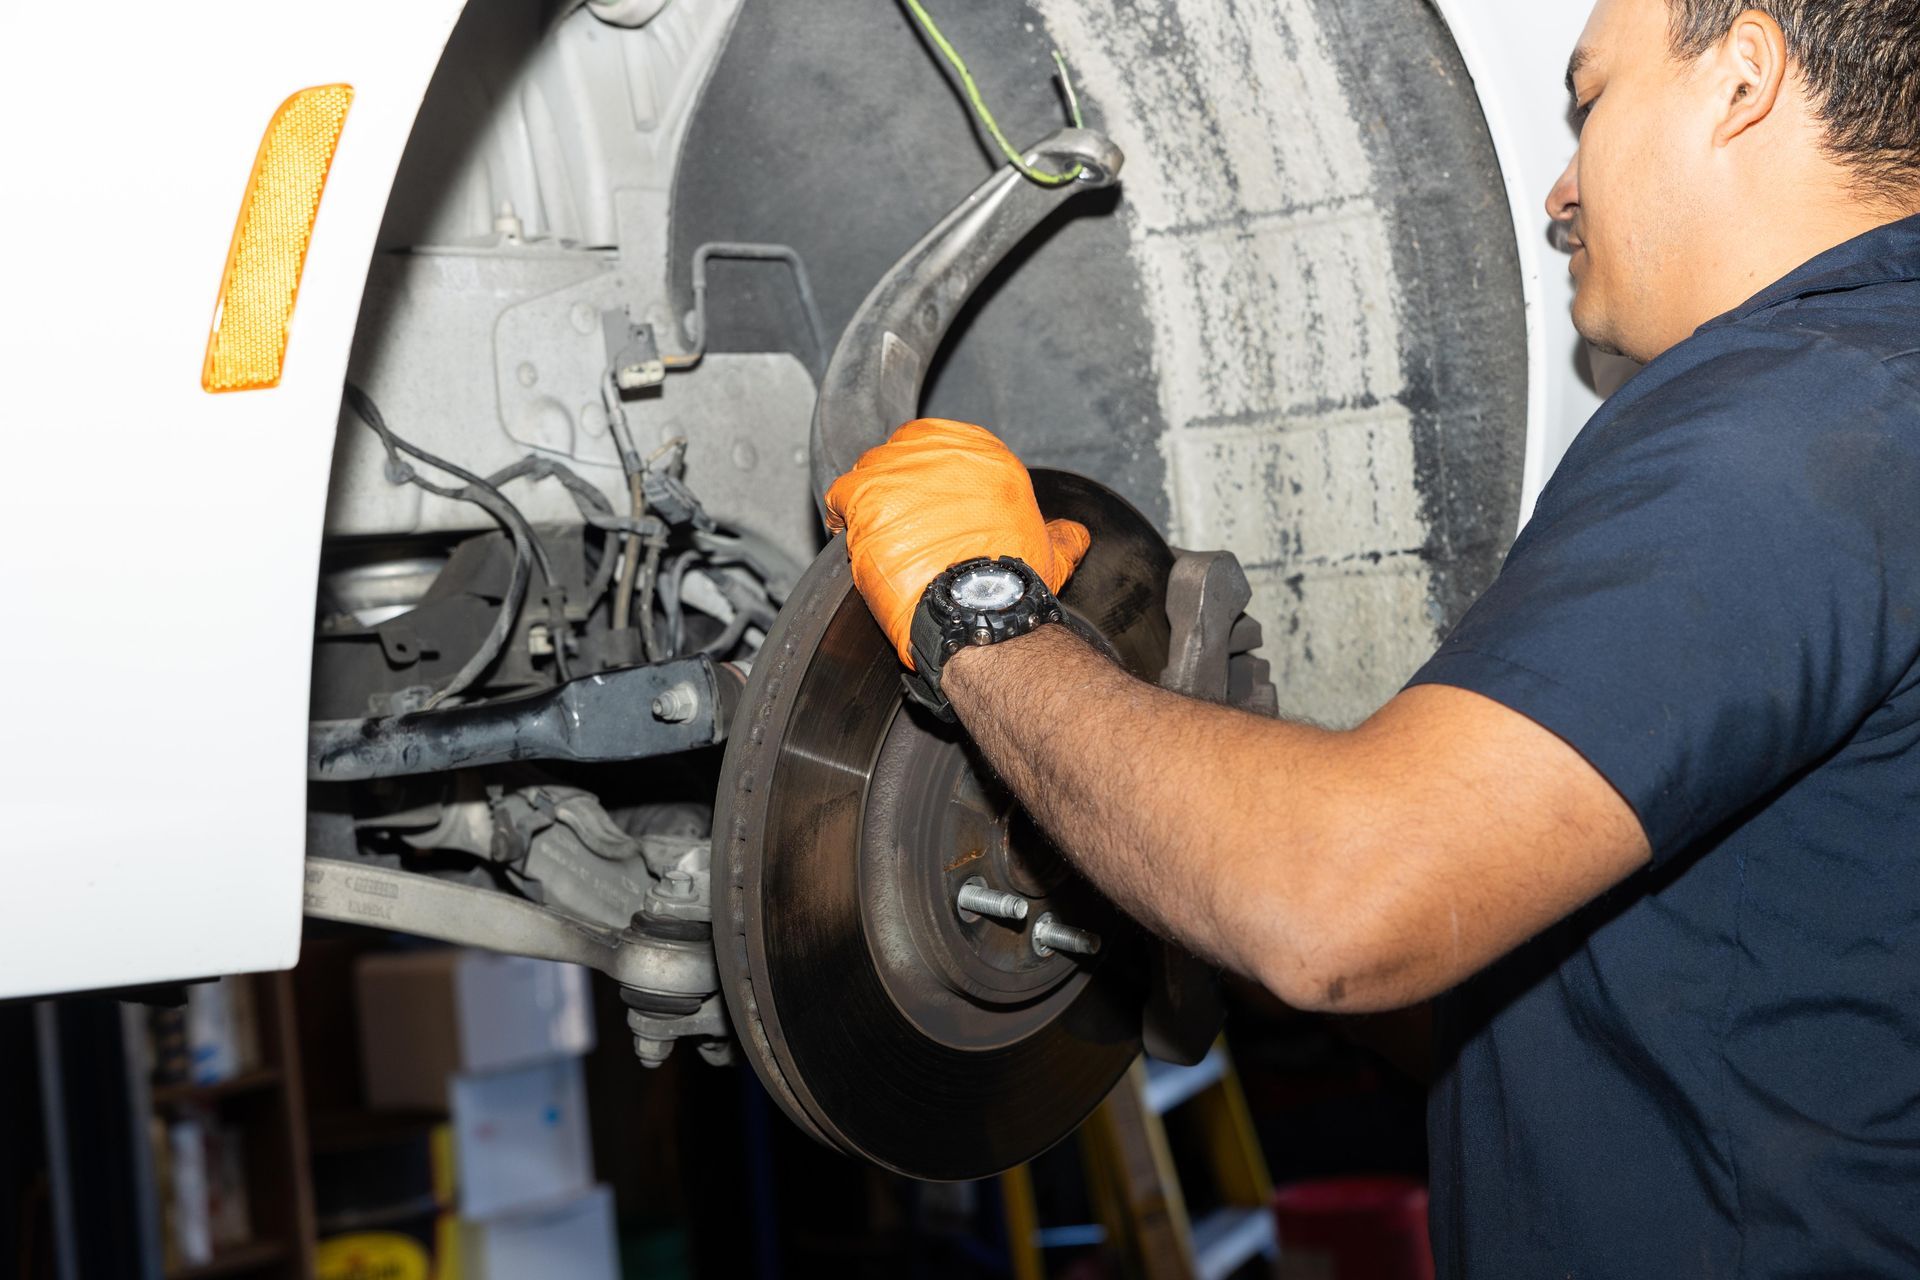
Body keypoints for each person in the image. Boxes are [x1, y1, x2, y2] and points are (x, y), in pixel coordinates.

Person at [823, 0, 1920, 1273]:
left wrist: (982, 613)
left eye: (1594, 101)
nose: (1559, 194)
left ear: (1740, 78)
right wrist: (1180, 817)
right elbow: (1569, 983)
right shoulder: (1863, 404)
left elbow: (1338, 906)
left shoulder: (1796, 428)